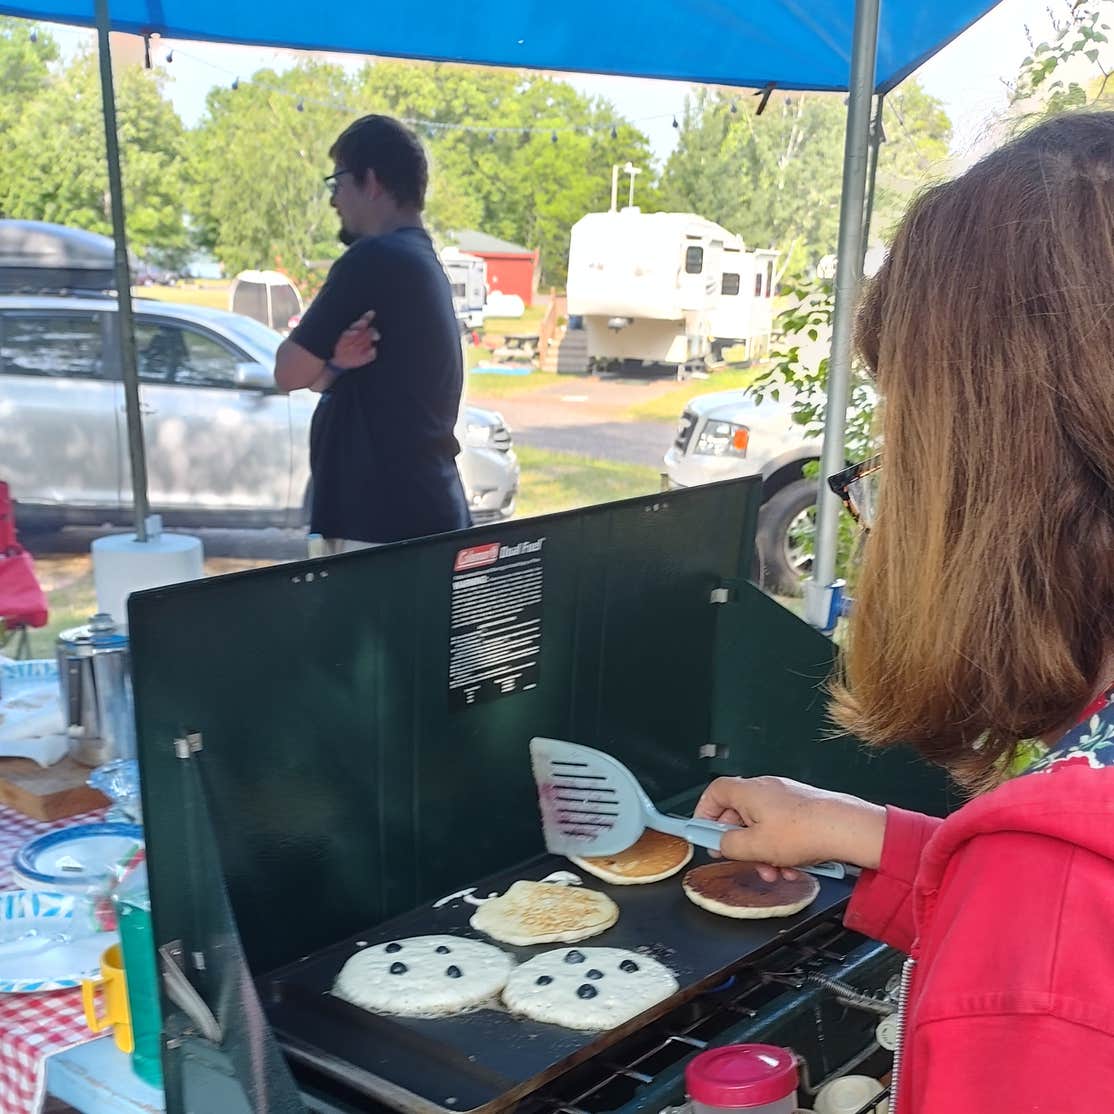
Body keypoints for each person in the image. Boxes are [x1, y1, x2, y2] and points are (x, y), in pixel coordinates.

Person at [695, 110, 1114, 1111]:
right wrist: (862, 830)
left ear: (983, 485)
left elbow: (1049, 955)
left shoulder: (1045, 907)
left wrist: (1005, 881)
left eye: (897, 457)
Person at [274, 114, 472, 551]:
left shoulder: (374, 259)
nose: (334, 200)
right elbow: (327, 377)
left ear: (373, 181)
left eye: (338, 182)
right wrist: (336, 365)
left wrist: (324, 368)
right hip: (418, 511)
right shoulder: (419, 259)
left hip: (379, 524)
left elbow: (287, 372)